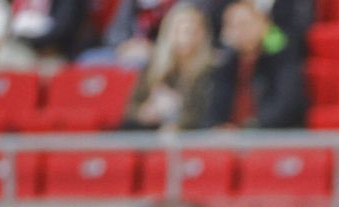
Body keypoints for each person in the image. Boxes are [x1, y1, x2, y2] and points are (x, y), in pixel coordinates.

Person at [203, 0, 304, 129]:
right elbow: (212, 111)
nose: (239, 31)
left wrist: (249, 128)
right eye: (232, 25)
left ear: (264, 23)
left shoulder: (282, 58)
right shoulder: (225, 66)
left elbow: (287, 105)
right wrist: (217, 126)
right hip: (231, 142)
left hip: (271, 137)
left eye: (244, 24)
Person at [123, 3, 215, 130]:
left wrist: (178, 125)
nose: (186, 36)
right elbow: (129, 108)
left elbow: (206, 114)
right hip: (150, 135)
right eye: (180, 29)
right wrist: (142, 113)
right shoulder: (153, 68)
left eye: (192, 30)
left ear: (203, 34)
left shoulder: (211, 70)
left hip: (190, 138)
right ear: (168, 32)